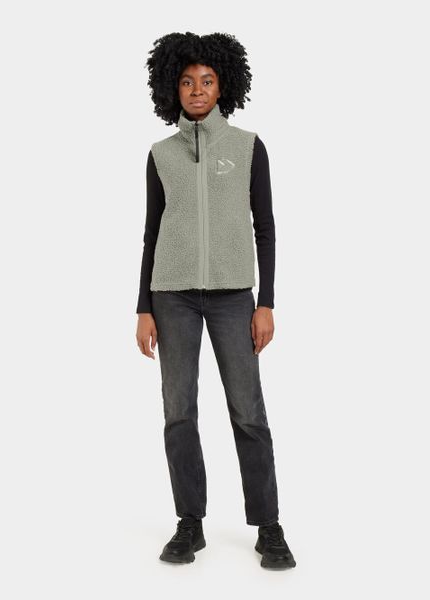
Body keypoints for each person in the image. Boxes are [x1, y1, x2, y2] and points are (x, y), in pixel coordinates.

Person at [135, 31, 296, 570]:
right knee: (178, 413)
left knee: (249, 412)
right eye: (187, 81)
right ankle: (190, 523)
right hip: (172, 296)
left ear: (223, 85)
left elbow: (265, 227)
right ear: (173, 88)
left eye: (206, 80)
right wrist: (143, 307)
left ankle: (269, 526)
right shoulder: (161, 155)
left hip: (233, 297)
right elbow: (151, 234)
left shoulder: (248, 147)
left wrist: (265, 301)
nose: (197, 89)